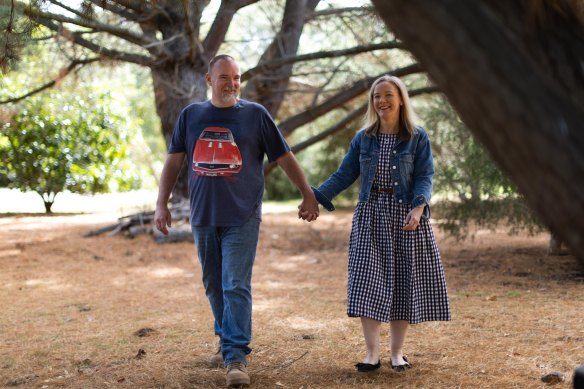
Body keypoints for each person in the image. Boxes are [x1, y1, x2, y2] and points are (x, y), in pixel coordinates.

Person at [154, 54, 319, 387]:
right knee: (213, 284)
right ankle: (225, 338)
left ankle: (236, 357)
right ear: (208, 79)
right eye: (224, 77)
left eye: (236, 78)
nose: (231, 83)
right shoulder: (192, 115)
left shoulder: (255, 115)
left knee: (235, 284)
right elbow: (173, 162)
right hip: (203, 216)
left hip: (242, 215)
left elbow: (284, 156)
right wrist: (161, 203)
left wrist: (307, 192)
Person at [312, 75, 450, 373]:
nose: (381, 101)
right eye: (376, 96)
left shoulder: (417, 136)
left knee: (402, 283)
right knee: (366, 282)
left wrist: (418, 207)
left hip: (405, 218)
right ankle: (372, 355)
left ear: (400, 99)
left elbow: (425, 175)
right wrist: (315, 197)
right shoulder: (364, 137)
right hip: (370, 214)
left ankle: (397, 353)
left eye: (387, 95)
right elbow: (344, 174)